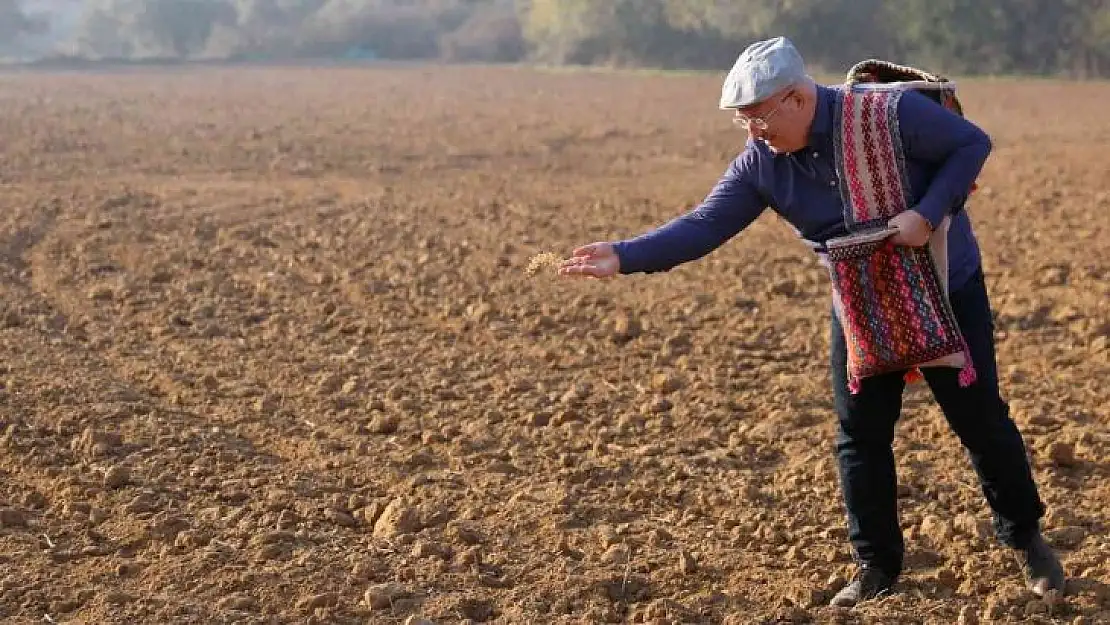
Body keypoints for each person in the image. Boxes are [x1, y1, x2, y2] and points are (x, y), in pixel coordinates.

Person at [557, 36, 1065, 607]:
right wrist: (623, 255)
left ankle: (1027, 540)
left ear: (798, 98)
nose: (753, 131)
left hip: (945, 284)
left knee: (979, 420)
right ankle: (876, 566)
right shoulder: (760, 165)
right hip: (861, 300)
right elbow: (703, 225)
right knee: (861, 435)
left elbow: (972, 143)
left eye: (760, 117)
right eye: (742, 121)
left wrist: (926, 213)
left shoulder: (890, 114)